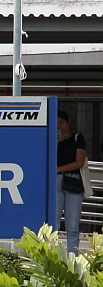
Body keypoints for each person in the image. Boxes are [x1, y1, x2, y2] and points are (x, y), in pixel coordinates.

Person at [56, 109, 87, 254]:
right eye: (56, 123)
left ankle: (72, 258)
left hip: (73, 181)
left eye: (61, 122)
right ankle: (52, 257)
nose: (59, 126)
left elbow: (79, 162)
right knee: (53, 224)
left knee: (73, 225)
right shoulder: (52, 139)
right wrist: (55, 143)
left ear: (68, 122)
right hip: (56, 181)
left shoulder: (77, 138)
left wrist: (58, 169)